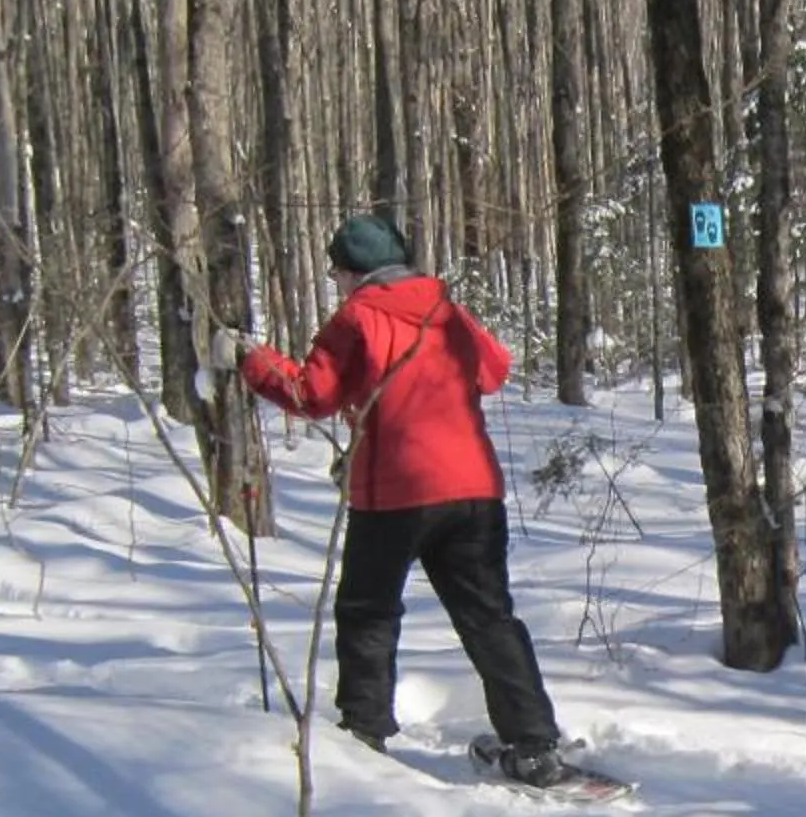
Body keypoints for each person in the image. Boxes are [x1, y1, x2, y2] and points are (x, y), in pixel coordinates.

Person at [232, 213, 571, 787]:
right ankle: (534, 744)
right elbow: (494, 370)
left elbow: (308, 394)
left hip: (395, 491)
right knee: (489, 618)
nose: (336, 282)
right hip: (473, 490)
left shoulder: (356, 318)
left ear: (353, 271)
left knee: (368, 611)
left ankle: (364, 735)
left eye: (337, 272)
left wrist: (251, 359)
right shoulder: (448, 310)